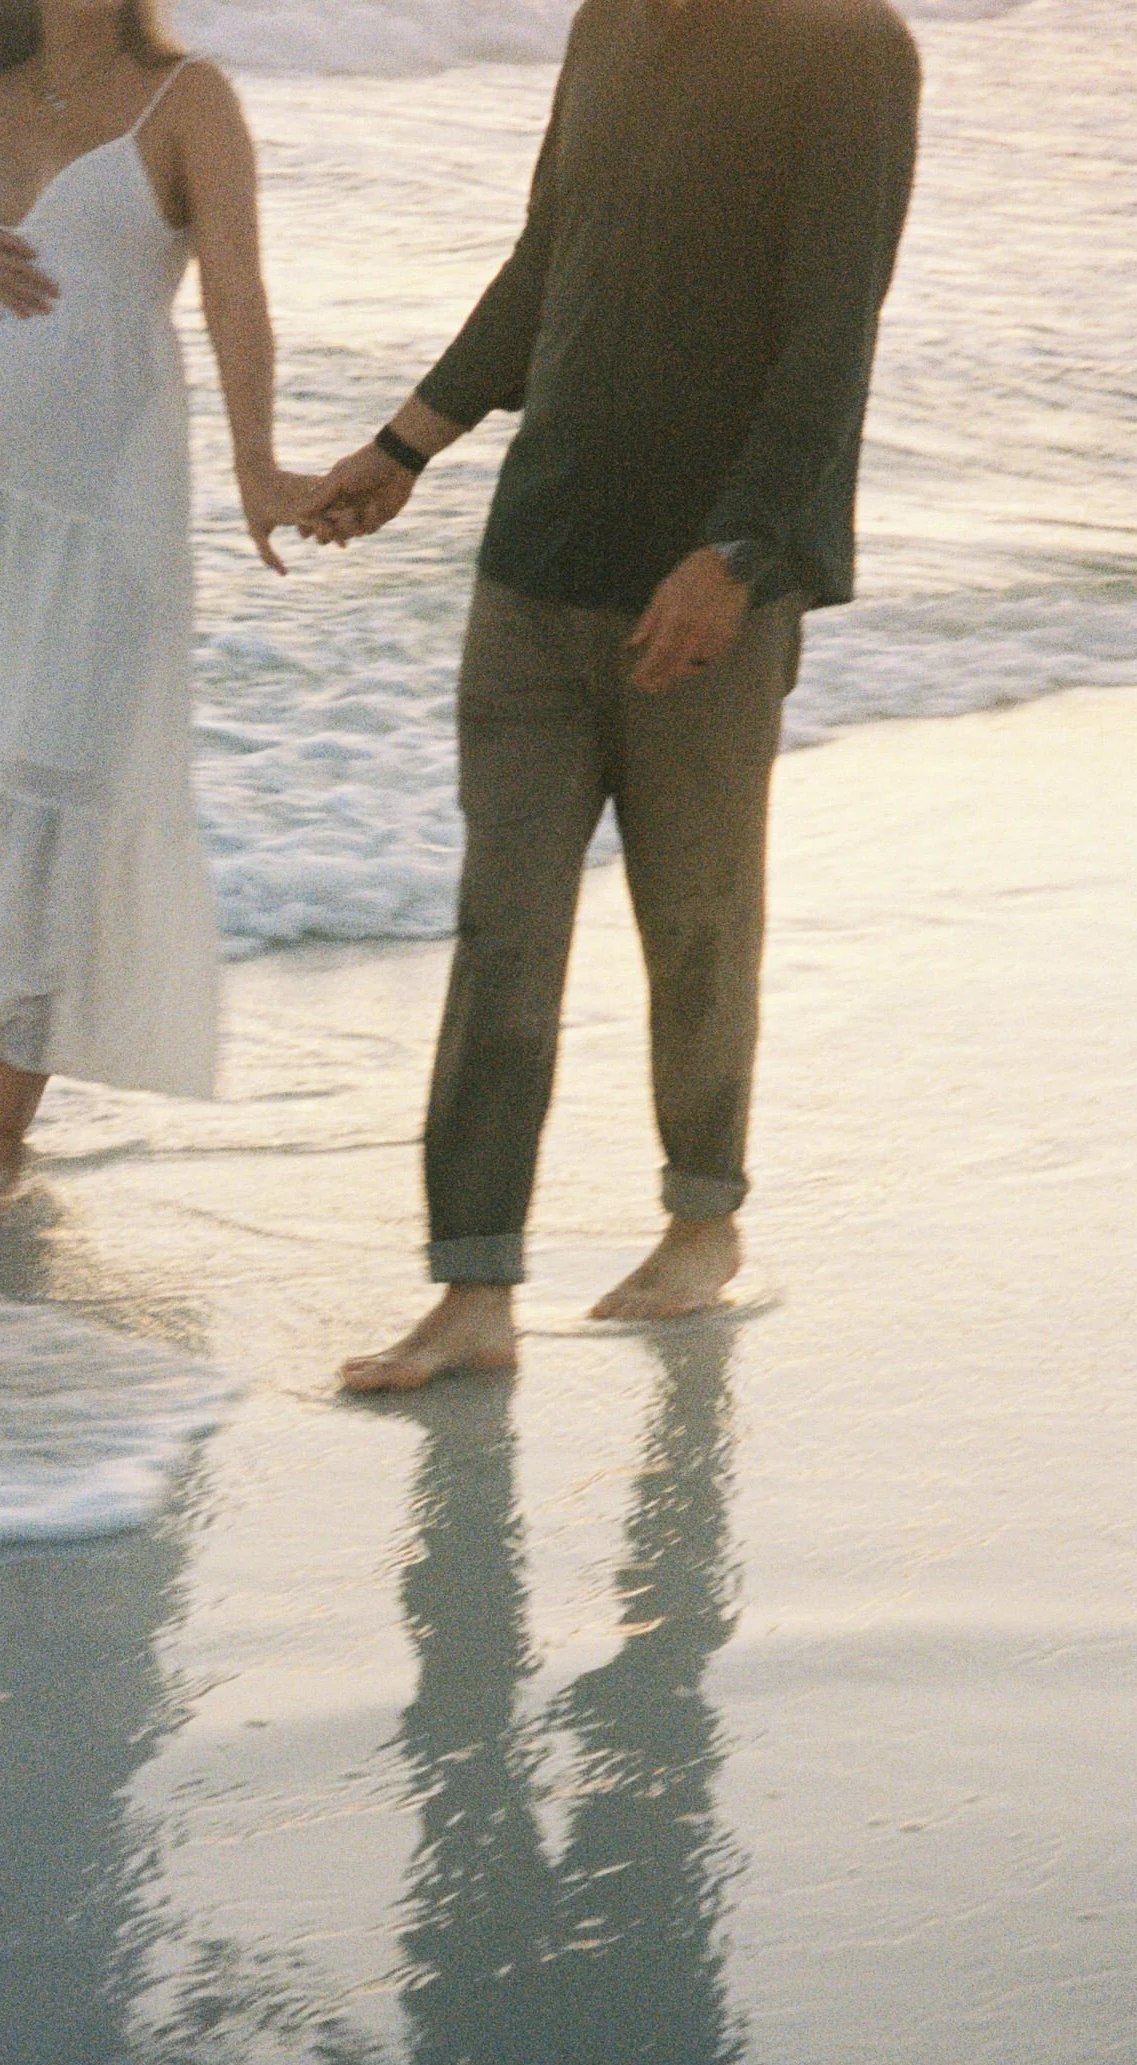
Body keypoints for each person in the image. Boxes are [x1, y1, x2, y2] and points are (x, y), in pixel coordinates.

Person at [309, 0, 921, 1389]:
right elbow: (545, 267)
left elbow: (834, 334)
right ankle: (472, 1289)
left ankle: (701, 1221)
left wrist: (741, 551)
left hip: (706, 582)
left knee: (696, 920)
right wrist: (407, 444)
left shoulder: (848, 48)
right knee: (500, 933)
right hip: (538, 553)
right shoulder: (606, 26)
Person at [0, 0, 316, 1235]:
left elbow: (235, 294)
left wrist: (259, 468)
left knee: (53, 807)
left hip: (101, 513)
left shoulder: (188, 102)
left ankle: (0, 1139)